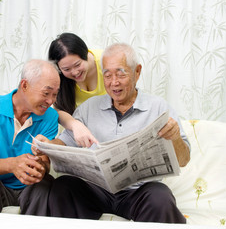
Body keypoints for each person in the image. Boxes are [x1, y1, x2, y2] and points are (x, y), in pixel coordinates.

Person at [36, 43, 191, 223]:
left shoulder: (159, 108)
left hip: (138, 193)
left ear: (137, 72)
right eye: (108, 75)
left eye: (120, 73)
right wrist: (46, 145)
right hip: (95, 191)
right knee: (63, 187)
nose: (114, 82)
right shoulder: (88, 109)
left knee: (161, 196)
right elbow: (64, 143)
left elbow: (184, 160)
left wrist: (175, 138)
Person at [0, 59, 60, 216]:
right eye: (46, 93)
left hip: (30, 189)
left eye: (55, 94)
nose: (51, 101)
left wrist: (40, 166)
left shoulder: (50, 116)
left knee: (44, 185)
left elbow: (45, 165)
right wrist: (14, 164)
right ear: (24, 85)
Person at [48, 32, 105, 147]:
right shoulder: (59, 77)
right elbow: (58, 110)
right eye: (66, 69)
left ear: (85, 54)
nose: (74, 72)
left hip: (106, 132)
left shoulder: (105, 63)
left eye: (78, 65)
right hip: (77, 135)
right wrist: (75, 125)